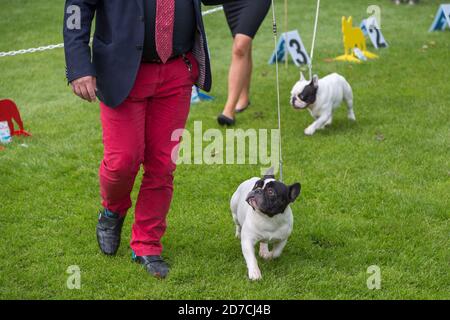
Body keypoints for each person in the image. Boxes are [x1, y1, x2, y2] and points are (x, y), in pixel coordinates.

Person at [63, 0, 229, 279]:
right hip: (121, 71)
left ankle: (147, 244)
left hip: (177, 70)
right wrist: (79, 65)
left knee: (163, 165)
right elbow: (77, 7)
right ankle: (112, 210)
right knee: (122, 162)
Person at [217, 0, 272, 126]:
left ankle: (228, 111)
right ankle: (243, 97)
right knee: (242, 45)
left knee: (240, 47)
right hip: (232, 3)